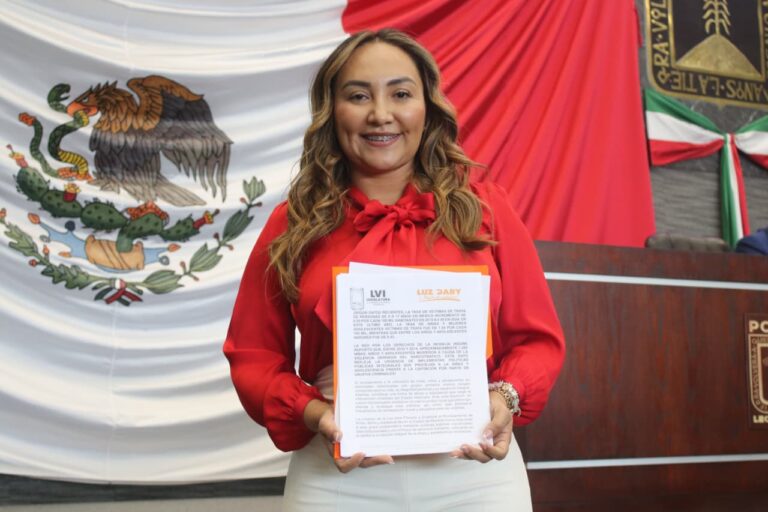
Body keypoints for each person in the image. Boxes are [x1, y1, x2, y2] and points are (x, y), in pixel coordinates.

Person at [224, 28, 565, 511]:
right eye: (358, 95)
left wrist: (505, 397)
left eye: (400, 94)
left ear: (427, 107)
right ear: (331, 110)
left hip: (475, 474)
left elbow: (537, 339)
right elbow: (253, 353)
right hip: (336, 476)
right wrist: (313, 412)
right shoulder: (294, 221)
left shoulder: (485, 208)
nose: (380, 114)